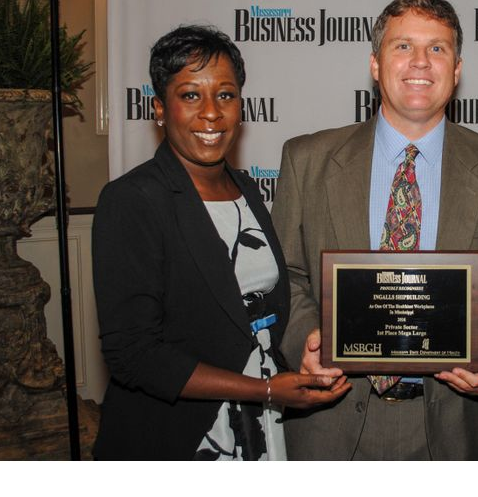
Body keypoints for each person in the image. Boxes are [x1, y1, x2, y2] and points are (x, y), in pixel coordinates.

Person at [271, 0, 478, 460]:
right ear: (375, 63)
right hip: (332, 424)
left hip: (453, 428)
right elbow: (286, 274)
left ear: (456, 70)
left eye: (437, 49)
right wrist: (305, 339)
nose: (420, 63)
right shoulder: (305, 160)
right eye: (403, 45)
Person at [92, 25, 350, 460]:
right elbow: (133, 354)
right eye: (191, 95)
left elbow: (266, 309)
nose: (211, 113)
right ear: (159, 108)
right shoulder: (132, 200)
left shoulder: (247, 191)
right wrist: (264, 389)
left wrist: (307, 352)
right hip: (183, 436)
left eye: (226, 95)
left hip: (263, 422)